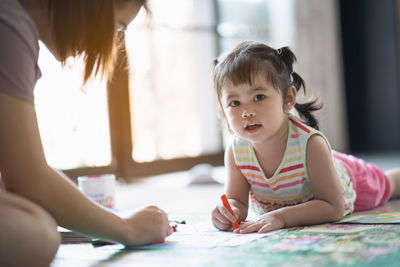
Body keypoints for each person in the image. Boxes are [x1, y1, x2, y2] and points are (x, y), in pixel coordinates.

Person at [0, 1, 173, 266]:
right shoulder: (9, 25)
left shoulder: (17, 27)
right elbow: (28, 178)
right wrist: (127, 228)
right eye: (117, 27)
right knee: (37, 235)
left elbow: (14, 174)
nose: (114, 42)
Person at [211, 41, 400, 234]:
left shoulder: (311, 145)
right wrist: (227, 211)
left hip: (349, 180)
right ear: (223, 111)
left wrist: (281, 217)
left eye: (259, 97)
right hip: (314, 166)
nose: (246, 112)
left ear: (288, 99)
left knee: (388, 185)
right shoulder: (236, 152)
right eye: (234, 102)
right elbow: (238, 202)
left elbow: (333, 207)